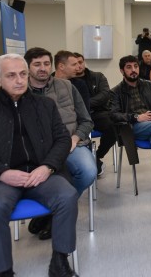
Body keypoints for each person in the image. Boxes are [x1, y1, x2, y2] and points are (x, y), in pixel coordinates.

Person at [0, 53, 78, 277]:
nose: (19, 80)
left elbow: (62, 140)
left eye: (23, 74)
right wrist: (2, 172)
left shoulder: (45, 105)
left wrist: (47, 167)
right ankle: (4, 273)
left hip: (40, 175)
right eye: (11, 75)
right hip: (0, 180)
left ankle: (60, 262)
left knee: (67, 195)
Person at [25, 47, 96, 240]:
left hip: (71, 144)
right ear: (28, 67)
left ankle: (52, 211)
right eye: (37, 64)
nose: (43, 68)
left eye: (46, 64)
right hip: (36, 149)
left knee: (88, 171)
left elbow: (86, 120)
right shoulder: (20, 91)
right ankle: (56, 209)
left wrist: (75, 138)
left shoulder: (67, 86)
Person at [110, 55, 151, 199]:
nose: (133, 70)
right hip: (132, 128)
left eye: (135, 66)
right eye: (129, 67)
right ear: (122, 71)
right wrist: (136, 117)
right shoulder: (116, 91)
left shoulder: (148, 85)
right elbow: (114, 115)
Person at [73, 52, 116, 176]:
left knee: (113, 126)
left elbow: (105, 95)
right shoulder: (67, 80)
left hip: (97, 113)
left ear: (84, 62)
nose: (78, 66)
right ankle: (90, 162)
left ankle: (96, 156)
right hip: (76, 116)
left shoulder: (98, 76)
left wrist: (83, 104)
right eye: (75, 64)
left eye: (80, 62)